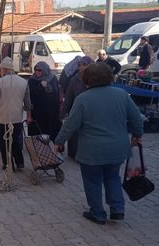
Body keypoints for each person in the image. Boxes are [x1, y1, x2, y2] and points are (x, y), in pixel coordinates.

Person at [54, 63, 143, 225]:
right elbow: (137, 118)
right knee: (112, 177)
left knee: (93, 181)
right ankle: (117, 209)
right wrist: (137, 135)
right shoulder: (122, 95)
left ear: (87, 79)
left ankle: (98, 213)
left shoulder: (83, 99)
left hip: (92, 151)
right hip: (117, 149)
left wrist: (59, 142)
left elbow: (70, 125)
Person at [0, 57, 32, 171]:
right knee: (15, 139)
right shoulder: (23, 82)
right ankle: (19, 161)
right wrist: (29, 115)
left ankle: (8, 164)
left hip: (1, 118)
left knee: (4, 141)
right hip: (16, 117)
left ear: (4, 69)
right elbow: (27, 102)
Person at [61, 56, 93, 159]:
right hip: (76, 112)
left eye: (84, 65)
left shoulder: (96, 80)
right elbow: (69, 98)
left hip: (91, 113)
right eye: (79, 65)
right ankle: (75, 154)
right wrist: (62, 113)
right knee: (75, 135)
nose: (81, 67)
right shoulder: (74, 80)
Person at [28, 61, 62, 141]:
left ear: (45, 70)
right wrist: (40, 87)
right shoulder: (32, 80)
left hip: (51, 112)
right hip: (37, 113)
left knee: (51, 133)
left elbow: (56, 94)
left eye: (39, 70)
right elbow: (30, 96)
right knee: (38, 135)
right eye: (35, 69)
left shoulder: (52, 78)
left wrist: (59, 109)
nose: (37, 72)